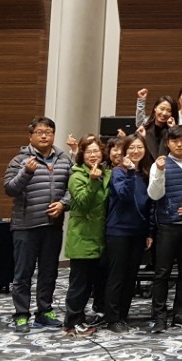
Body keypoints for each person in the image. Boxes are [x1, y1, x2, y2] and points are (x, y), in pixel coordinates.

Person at [4, 117, 72, 333]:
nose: (44, 136)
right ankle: (21, 314)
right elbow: (10, 189)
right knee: (23, 274)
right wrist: (26, 173)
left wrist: (63, 204)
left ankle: (44, 311)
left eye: (48, 132)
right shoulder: (19, 160)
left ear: (53, 135)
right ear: (31, 136)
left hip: (52, 226)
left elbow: (72, 189)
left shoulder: (63, 160)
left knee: (49, 272)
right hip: (25, 226)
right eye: (39, 132)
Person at [146, 124, 182, 333]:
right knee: (162, 273)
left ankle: (180, 313)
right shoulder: (159, 164)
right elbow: (154, 195)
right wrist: (160, 172)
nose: (179, 144)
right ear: (168, 143)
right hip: (168, 226)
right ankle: (159, 316)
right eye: (175, 141)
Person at [103, 134, 153, 333]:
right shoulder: (119, 172)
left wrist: (149, 232)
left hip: (138, 231)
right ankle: (112, 317)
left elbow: (149, 205)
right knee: (117, 276)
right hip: (118, 230)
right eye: (131, 148)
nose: (135, 151)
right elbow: (124, 195)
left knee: (131, 276)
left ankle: (123, 315)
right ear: (125, 152)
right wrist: (130, 172)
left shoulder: (146, 174)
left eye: (139, 147)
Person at [63, 136, 111, 335]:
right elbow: (82, 202)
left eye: (96, 151)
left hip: (100, 236)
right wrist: (91, 182)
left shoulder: (106, 174)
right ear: (82, 155)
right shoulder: (77, 176)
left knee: (97, 281)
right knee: (79, 284)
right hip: (82, 236)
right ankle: (72, 321)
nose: (93, 155)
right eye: (89, 152)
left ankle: (93, 315)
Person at [139, 94, 176, 159]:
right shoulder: (144, 129)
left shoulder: (174, 129)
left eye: (169, 111)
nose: (164, 113)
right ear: (155, 108)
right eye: (162, 109)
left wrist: (173, 130)